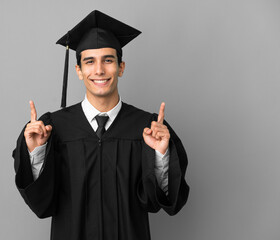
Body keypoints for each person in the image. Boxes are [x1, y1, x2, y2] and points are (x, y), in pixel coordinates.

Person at [12, 10, 189, 240]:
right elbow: (41, 204)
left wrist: (161, 155)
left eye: (108, 60)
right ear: (79, 71)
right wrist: (36, 153)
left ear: (121, 67)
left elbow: (161, 202)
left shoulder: (147, 128)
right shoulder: (52, 129)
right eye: (89, 62)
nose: (99, 70)